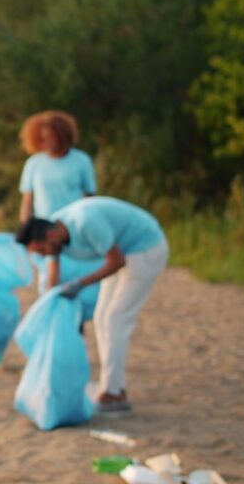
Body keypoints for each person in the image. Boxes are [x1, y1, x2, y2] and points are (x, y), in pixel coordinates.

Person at [15, 196, 169, 413]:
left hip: (145, 248)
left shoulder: (85, 222)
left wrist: (79, 284)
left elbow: (116, 261)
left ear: (50, 236)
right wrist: (50, 303)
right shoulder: (54, 233)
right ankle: (114, 387)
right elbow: (53, 274)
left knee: (116, 319)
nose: (43, 255)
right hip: (124, 252)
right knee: (101, 317)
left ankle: (113, 394)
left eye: (42, 250)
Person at [18, 110, 97, 290]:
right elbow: (27, 200)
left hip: (72, 229)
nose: (47, 143)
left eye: (51, 137)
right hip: (44, 229)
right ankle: (49, 312)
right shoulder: (34, 163)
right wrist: (25, 229)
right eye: (42, 138)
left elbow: (90, 197)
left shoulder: (81, 161)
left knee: (72, 276)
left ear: (63, 136)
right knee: (49, 278)